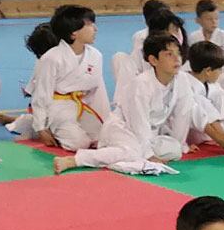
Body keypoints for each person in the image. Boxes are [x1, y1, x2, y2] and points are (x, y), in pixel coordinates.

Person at [57, 32, 186, 174]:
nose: (177, 59)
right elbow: (139, 122)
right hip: (122, 128)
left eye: (178, 53)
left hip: (149, 134)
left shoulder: (182, 80)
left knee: (175, 150)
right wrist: (149, 155)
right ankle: (75, 160)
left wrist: (181, 143)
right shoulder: (141, 84)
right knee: (133, 152)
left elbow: (183, 115)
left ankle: (119, 156)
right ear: (153, 60)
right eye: (169, 54)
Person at [17, 4, 108, 149]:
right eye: (90, 25)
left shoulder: (96, 56)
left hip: (83, 104)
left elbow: (96, 91)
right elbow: (41, 95)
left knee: (104, 140)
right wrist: (41, 129)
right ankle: (39, 125)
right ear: (73, 33)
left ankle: (32, 123)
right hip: (58, 108)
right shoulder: (52, 58)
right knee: (80, 144)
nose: (95, 29)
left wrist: (105, 118)